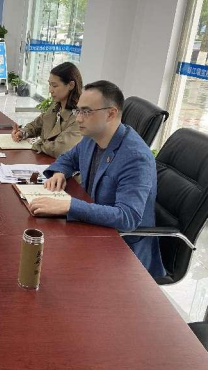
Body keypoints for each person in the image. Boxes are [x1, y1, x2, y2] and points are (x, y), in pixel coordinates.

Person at [27, 80, 165, 278]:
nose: (78, 118)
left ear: (111, 114)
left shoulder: (135, 157)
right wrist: (60, 172)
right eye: (78, 111)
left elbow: (127, 217)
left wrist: (68, 206)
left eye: (86, 112)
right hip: (94, 229)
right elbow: (69, 158)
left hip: (123, 249)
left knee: (52, 270)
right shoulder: (92, 137)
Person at [11, 62, 83, 157]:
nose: (50, 90)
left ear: (71, 85)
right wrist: (22, 133)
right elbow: (37, 125)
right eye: (50, 85)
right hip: (43, 160)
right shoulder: (56, 106)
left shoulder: (79, 117)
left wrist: (36, 143)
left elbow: (58, 149)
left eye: (55, 86)